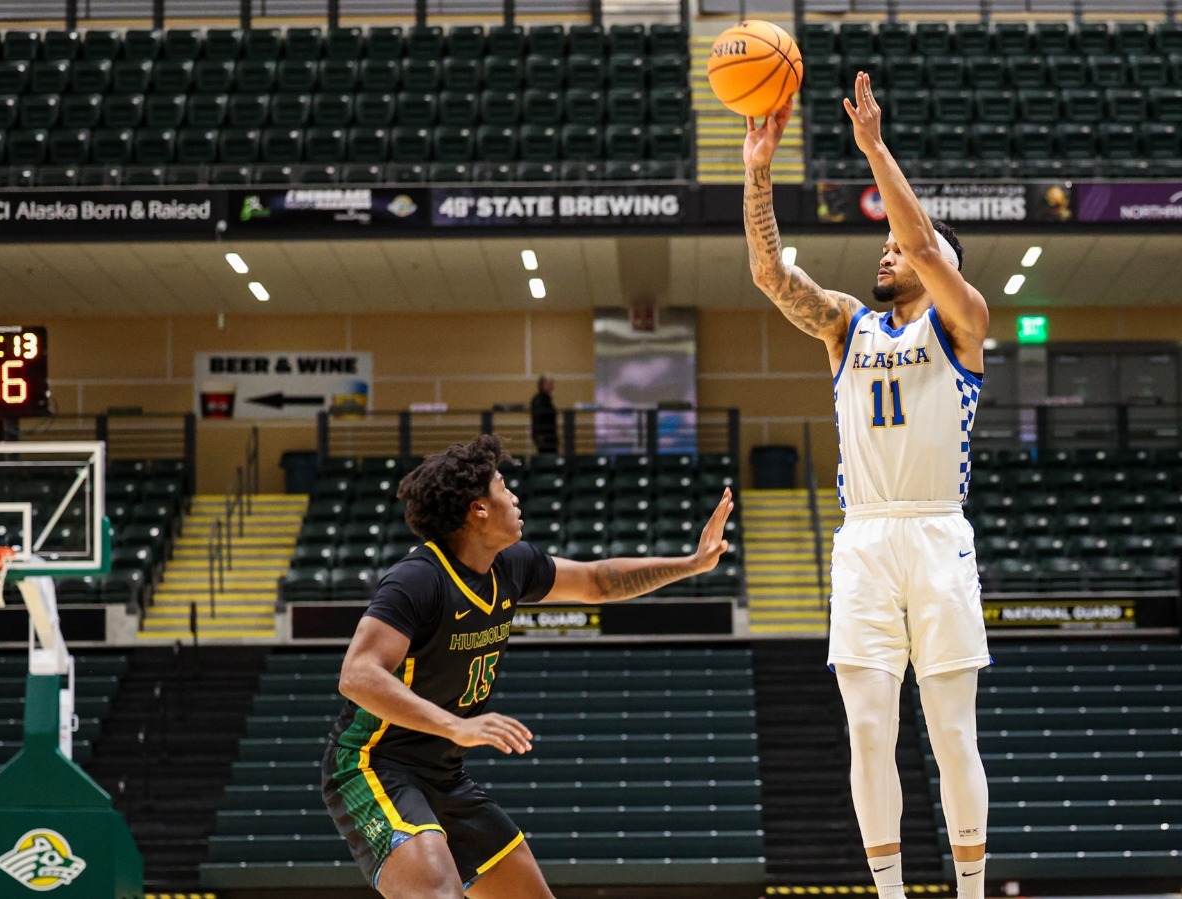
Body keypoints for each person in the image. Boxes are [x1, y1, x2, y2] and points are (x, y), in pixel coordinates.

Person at [743, 72, 991, 899]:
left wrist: (875, 149)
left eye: (899, 243)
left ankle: (972, 891)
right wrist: (757, 168)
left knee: (952, 733)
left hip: (936, 531)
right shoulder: (849, 325)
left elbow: (922, 244)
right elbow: (772, 276)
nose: (886, 251)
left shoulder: (962, 321)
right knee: (866, 729)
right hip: (865, 537)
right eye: (879, 245)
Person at [321, 434, 733, 899]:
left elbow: (597, 581)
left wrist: (692, 565)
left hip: (443, 772)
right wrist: (456, 726)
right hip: (373, 764)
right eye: (503, 486)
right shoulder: (417, 580)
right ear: (478, 508)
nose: (514, 496)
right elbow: (357, 675)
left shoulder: (512, 565)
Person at [529, 376, 557, 454]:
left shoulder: (544, 398)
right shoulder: (540, 399)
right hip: (545, 436)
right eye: (549, 383)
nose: (552, 385)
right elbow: (537, 417)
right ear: (543, 385)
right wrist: (539, 434)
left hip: (548, 435)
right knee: (547, 457)